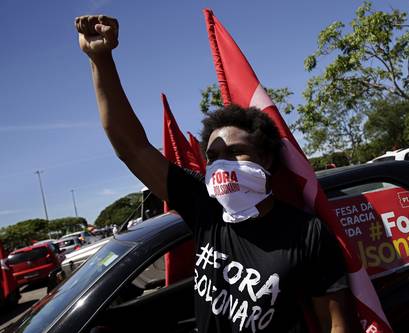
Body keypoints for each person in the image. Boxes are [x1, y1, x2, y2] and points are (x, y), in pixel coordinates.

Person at [75, 15, 358, 333]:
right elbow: (132, 148)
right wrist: (101, 59)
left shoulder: (307, 233)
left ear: (265, 158)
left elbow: (334, 323)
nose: (222, 165)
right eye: (213, 157)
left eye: (235, 152)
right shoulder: (206, 207)